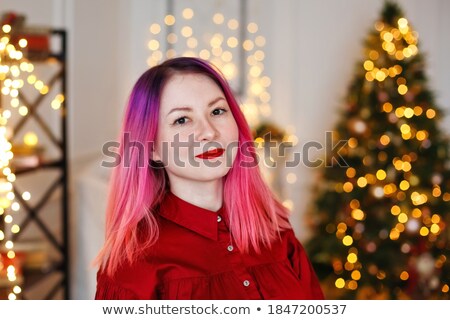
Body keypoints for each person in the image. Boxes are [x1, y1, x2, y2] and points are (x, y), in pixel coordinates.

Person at [94, 57, 324, 299]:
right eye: (181, 120)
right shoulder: (132, 265)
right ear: (151, 147)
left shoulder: (275, 231)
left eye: (217, 111)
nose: (208, 131)